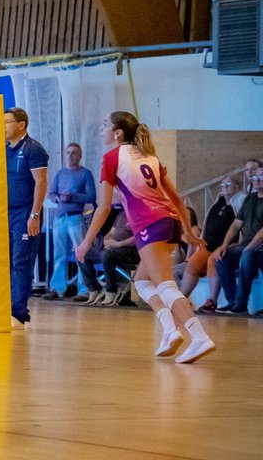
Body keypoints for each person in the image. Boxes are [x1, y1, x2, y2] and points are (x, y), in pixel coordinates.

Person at [76, 111, 214, 363]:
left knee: (165, 284)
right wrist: (186, 229)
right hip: (170, 222)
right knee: (142, 282)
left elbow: (104, 207)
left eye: (105, 124)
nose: (101, 128)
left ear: (117, 133)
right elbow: (176, 198)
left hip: (150, 223)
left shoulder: (112, 158)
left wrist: (86, 241)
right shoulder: (150, 157)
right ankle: (170, 331)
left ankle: (199, 336)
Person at [3, 108, 49, 328]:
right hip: (6, 212)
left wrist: (34, 214)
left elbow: (41, 182)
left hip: (25, 213)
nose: (2, 127)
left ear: (21, 124)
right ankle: (8, 307)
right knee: (7, 261)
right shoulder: (3, 149)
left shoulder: (33, 149)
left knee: (21, 262)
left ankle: (18, 313)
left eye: (7, 122)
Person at [44, 142, 96, 299]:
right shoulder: (60, 173)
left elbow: (91, 196)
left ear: (80, 156)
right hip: (60, 218)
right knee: (59, 254)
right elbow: (52, 193)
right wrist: (58, 198)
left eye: (74, 153)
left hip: (75, 217)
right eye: (68, 152)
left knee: (81, 254)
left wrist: (73, 197)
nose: (70, 156)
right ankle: (58, 288)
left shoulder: (85, 174)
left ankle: (84, 289)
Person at [212, 169, 263, 314]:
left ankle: (241, 303)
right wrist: (223, 246)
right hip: (246, 244)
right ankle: (232, 300)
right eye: (255, 176)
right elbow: (236, 224)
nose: (257, 179)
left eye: (261, 176)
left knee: (247, 255)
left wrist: (249, 248)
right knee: (221, 258)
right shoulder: (250, 199)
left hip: (260, 246)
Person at [189, 179, 237, 311]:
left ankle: (212, 300)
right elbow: (207, 222)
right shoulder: (218, 202)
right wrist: (201, 241)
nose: (224, 187)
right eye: (223, 185)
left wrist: (231, 245)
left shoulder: (239, 201)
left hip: (226, 246)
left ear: (237, 187)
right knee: (194, 261)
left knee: (213, 260)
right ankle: (181, 298)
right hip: (209, 244)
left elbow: (238, 226)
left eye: (228, 185)